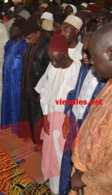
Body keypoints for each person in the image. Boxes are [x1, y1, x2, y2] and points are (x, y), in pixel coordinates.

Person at [35, 34, 81, 194]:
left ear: (65, 54)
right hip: (50, 117)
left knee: (62, 157)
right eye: (51, 59)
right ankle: (53, 186)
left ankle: (61, 188)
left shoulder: (78, 71)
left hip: (65, 123)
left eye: (56, 59)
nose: (53, 63)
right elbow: (46, 92)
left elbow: (78, 101)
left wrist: (69, 119)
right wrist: (45, 116)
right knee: (50, 153)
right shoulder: (53, 66)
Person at [69, 22, 112, 195]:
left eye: (93, 56)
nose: (91, 61)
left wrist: (85, 178)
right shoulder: (108, 84)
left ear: (110, 52)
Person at [59, 50, 106, 195]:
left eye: (88, 53)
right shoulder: (85, 68)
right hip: (75, 122)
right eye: (84, 52)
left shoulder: (106, 81)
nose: (83, 57)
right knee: (68, 162)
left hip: (91, 134)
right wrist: (67, 115)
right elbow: (75, 93)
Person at [18, 17, 50, 150]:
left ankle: (42, 142)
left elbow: (50, 71)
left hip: (39, 87)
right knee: (30, 112)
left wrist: (43, 90)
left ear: (38, 33)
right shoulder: (30, 43)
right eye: (25, 39)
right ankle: (33, 137)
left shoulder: (47, 44)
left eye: (30, 38)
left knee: (39, 116)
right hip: (28, 83)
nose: (27, 41)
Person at [1, 19, 26, 133]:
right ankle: (8, 123)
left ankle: (16, 127)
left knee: (16, 103)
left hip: (17, 81)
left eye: (13, 28)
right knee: (7, 100)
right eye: (10, 28)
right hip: (7, 77)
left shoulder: (24, 45)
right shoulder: (9, 43)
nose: (10, 30)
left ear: (20, 31)